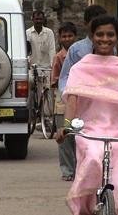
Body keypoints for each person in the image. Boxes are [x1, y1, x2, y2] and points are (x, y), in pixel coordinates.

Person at [56, 15, 118, 215]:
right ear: (92, 37)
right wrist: (65, 126)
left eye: (110, 35)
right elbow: (72, 101)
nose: (105, 39)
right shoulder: (81, 67)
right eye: (99, 34)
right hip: (89, 130)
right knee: (93, 158)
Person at [58, 5, 107, 93]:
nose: (98, 28)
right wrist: (69, 96)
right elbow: (65, 77)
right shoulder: (75, 49)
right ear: (85, 24)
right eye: (94, 24)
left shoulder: (111, 48)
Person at [51, 22, 77, 181]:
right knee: (65, 137)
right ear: (60, 39)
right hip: (62, 101)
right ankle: (67, 171)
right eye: (64, 36)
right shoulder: (59, 57)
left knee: (79, 137)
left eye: (70, 36)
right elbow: (54, 80)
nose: (67, 39)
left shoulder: (82, 54)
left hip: (80, 101)